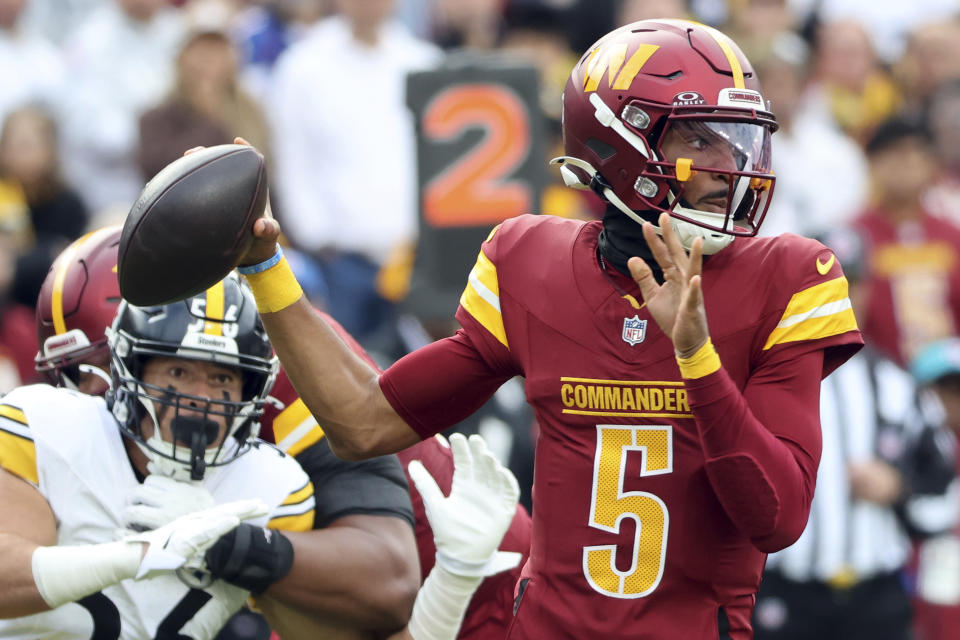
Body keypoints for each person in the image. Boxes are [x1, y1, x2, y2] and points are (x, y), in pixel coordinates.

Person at [228, 18, 863, 639]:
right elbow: (363, 423)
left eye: (736, 139)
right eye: (699, 139)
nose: (730, 163)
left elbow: (776, 517)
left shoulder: (789, 276)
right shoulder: (531, 262)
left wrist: (697, 357)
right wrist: (265, 267)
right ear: (621, 144)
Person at [34, 225, 532, 638]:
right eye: (68, 377)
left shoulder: (279, 371)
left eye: (96, 372)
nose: (86, 398)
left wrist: (226, 543)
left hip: (477, 591)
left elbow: (388, 583)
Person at [0, 272, 317, 638]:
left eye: (222, 379)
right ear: (131, 368)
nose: (201, 397)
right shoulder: (49, 427)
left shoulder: (271, 489)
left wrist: (237, 550)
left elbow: (324, 630)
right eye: (179, 371)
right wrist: (135, 555)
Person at [753, 229, 957, 640]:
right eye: (831, 282)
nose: (844, 294)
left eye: (854, 282)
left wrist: (899, 488)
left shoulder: (900, 388)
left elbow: (944, 497)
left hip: (875, 596)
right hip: (788, 592)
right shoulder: (764, 381)